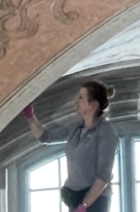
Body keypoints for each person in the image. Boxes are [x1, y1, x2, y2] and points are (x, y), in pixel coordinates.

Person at [24, 81, 120, 212]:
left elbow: (103, 177)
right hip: (76, 199)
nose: (76, 101)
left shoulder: (106, 133)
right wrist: (30, 116)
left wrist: (84, 205)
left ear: (93, 105)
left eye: (81, 97)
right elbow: (46, 137)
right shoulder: (76, 128)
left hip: (94, 201)